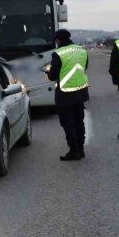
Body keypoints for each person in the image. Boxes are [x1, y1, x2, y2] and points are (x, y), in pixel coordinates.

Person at [46, 29, 90, 161]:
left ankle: (74, 151)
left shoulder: (58, 54)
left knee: (68, 123)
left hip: (64, 94)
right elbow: (84, 67)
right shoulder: (82, 50)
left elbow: (53, 76)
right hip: (80, 91)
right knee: (79, 121)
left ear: (58, 40)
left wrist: (48, 73)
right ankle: (81, 150)